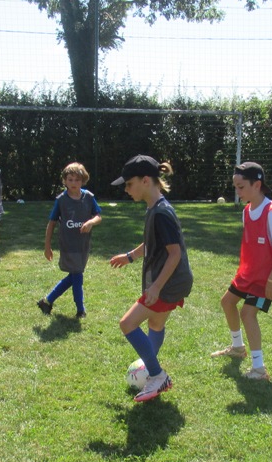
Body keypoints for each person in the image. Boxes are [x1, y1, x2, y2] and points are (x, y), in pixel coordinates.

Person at [109, 155, 193, 403]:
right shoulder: (155, 208)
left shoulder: (161, 213)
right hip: (175, 282)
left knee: (127, 324)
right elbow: (153, 243)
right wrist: (130, 256)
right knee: (155, 325)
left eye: (129, 184)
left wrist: (156, 287)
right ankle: (150, 371)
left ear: (145, 180)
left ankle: (157, 375)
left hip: (168, 284)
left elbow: (174, 254)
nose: (126, 190)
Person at [210, 162, 272, 380]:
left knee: (247, 313)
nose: (237, 192)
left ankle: (259, 369)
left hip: (265, 279)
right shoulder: (247, 210)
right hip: (248, 274)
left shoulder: (271, 212)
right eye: (235, 187)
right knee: (227, 302)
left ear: (257, 185)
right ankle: (238, 348)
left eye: (241, 187)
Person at [38, 162, 102, 318]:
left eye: (77, 180)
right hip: (68, 244)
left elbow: (98, 216)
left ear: (83, 180)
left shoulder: (88, 197)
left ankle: (47, 301)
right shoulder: (61, 200)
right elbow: (52, 223)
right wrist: (47, 246)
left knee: (74, 275)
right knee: (77, 275)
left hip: (83, 244)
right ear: (65, 181)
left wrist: (91, 222)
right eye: (70, 179)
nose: (74, 183)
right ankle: (80, 310)